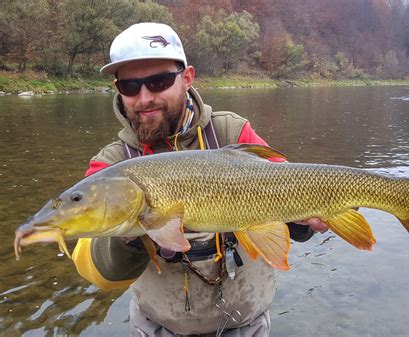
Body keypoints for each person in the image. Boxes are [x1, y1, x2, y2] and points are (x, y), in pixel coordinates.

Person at [72, 22, 328, 337]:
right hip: (159, 327)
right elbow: (102, 274)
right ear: (118, 89)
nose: (144, 97)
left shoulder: (233, 133)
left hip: (244, 323)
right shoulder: (110, 166)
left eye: (160, 81)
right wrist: (129, 230)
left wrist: (303, 222)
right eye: (130, 86)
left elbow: (291, 198)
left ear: (187, 78)